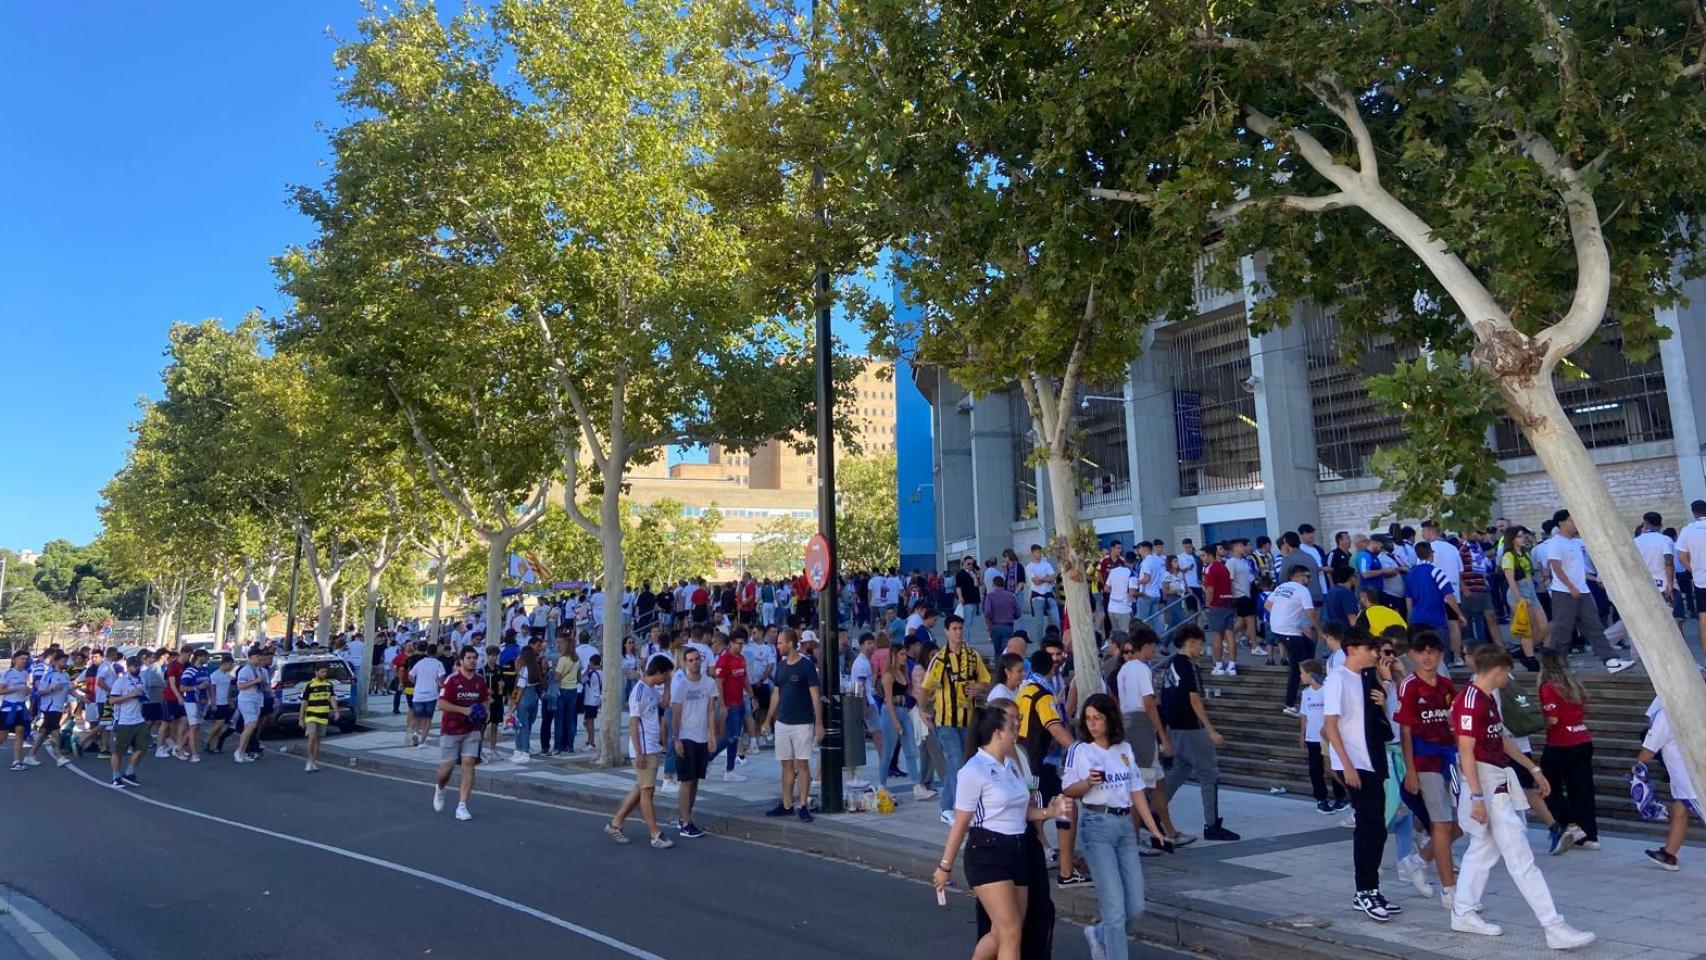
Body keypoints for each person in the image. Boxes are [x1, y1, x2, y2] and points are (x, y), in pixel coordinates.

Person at [1449, 645, 1595, 949]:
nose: (1509, 678)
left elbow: (1500, 738)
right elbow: (1466, 751)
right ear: (1498, 670)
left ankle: (1463, 910)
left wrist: (1533, 768)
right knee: (1520, 859)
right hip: (1488, 785)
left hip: (1493, 781)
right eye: (1507, 672)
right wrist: (1476, 796)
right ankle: (1553, 926)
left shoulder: (1486, 697)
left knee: (1482, 850)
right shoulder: (1472, 701)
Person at [932, 704, 1072, 960]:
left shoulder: (1011, 765)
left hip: (1017, 852)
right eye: (1011, 726)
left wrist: (1049, 812)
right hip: (987, 853)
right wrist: (945, 866)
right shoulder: (973, 770)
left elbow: (1022, 810)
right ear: (997, 733)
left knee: (1003, 932)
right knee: (1011, 933)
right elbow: (961, 822)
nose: (1017, 729)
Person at [1063, 693, 1174, 960]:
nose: (1092, 724)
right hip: (1096, 825)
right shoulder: (1081, 750)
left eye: (1097, 718)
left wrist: (1154, 829)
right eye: (1088, 718)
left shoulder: (1124, 749)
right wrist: (1087, 783)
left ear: (1110, 719)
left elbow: (1136, 791)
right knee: (1114, 908)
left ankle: (1099, 934)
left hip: (1124, 827)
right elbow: (1068, 789)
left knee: (1135, 906)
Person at [1320, 628, 1396, 921]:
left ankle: (1370, 889)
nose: (1375, 654)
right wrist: (1347, 765)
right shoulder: (1337, 678)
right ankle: (1365, 890)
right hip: (1355, 763)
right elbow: (1330, 725)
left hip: (1373, 760)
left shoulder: (1365, 678)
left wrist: (1385, 684)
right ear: (1352, 649)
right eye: (1369, 649)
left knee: (1377, 827)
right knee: (1369, 826)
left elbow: (1377, 717)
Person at [1393, 631, 1458, 909]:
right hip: (1425, 760)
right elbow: (1405, 730)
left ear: (1441, 655)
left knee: (1462, 822)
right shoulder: (1409, 686)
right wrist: (1411, 770)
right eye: (1422, 651)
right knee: (1441, 823)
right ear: (1413, 655)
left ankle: (1419, 860)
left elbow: (1455, 723)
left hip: (1449, 759)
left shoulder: (1446, 685)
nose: (1428, 656)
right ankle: (1449, 891)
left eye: (1433, 651)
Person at [1157, 626, 1239, 842]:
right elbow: (1194, 699)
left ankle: (1154, 810)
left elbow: (1165, 697)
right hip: (1191, 728)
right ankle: (1212, 824)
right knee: (1208, 773)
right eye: (1199, 644)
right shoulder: (1187, 666)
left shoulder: (1171, 664)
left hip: (1175, 727)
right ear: (1190, 643)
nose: (1201, 648)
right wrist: (1210, 730)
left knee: (1180, 770)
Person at [1015, 648, 1085, 886]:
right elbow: (1053, 726)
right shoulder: (1043, 695)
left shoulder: (1024, 691)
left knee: (1041, 809)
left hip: (1024, 761)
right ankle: (1064, 869)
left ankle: (1049, 862)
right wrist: (1077, 750)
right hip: (1036, 764)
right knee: (1061, 807)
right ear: (1051, 668)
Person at [922, 614, 992, 823]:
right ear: (946, 632)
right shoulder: (939, 660)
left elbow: (986, 682)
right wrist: (922, 710)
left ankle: (949, 808)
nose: (958, 632)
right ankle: (956, 810)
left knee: (962, 764)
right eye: (954, 629)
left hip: (968, 720)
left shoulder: (973, 656)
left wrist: (979, 688)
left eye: (960, 628)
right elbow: (926, 688)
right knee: (958, 763)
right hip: (945, 722)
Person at [1545, 510, 1633, 673]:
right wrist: (1570, 587)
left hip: (1583, 591)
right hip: (1564, 592)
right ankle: (1556, 666)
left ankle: (1610, 660)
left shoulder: (1577, 542)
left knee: (1594, 626)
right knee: (1562, 630)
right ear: (1561, 523)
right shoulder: (1555, 543)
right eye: (1571, 520)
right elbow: (1556, 567)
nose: (1575, 524)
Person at [1115, 629, 1181, 845]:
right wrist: (1162, 735)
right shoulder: (1142, 668)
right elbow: (1148, 703)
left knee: (1158, 780)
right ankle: (1135, 839)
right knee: (1140, 785)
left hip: (1129, 723)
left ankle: (1169, 830)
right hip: (1141, 725)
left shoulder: (1123, 670)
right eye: (1152, 647)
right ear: (1144, 647)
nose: (1154, 651)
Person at [606, 654, 675, 848]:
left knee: (640, 789)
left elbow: (664, 704)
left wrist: (668, 685)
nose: (666, 678)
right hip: (644, 749)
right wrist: (639, 753)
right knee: (647, 792)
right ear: (658, 672)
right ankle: (655, 834)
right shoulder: (638, 692)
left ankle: (615, 824)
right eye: (666, 675)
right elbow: (633, 724)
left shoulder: (651, 690)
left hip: (652, 746)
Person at [1536, 652, 1597, 854]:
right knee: (1582, 789)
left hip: (1560, 742)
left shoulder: (1547, 687)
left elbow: (1552, 719)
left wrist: (1537, 722)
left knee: (1548, 787)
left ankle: (1569, 825)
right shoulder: (1574, 685)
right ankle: (1589, 835)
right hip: (1582, 738)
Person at [761, 629, 823, 821]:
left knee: (802, 764)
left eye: (780, 643)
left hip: (802, 722)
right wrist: (768, 719)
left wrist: (818, 723)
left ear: (790, 643)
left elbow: (815, 695)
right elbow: (776, 693)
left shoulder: (806, 666)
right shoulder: (781, 666)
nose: (778, 646)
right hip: (782, 721)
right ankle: (786, 804)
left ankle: (803, 805)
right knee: (786, 764)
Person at [1634, 698, 1702, 871]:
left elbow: (1650, 749)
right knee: (1679, 809)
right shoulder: (1695, 704)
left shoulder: (1666, 714)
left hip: (1690, 778)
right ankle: (1669, 854)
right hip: (1689, 775)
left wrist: (1637, 766)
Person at [432, 646, 488, 822]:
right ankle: (440, 788)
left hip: (472, 730)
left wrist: (485, 712)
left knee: (469, 763)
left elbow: (484, 700)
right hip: (451, 729)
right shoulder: (452, 680)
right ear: (461, 660)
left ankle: (462, 805)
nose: (472, 661)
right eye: (469, 658)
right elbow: (441, 703)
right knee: (446, 768)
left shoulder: (480, 681)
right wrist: (463, 710)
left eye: (474, 658)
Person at [671, 645, 720, 838]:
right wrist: (676, 740)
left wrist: (712, 735)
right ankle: (685, 823)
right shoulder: (681, 685)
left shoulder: (709, 683)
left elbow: (710, 710)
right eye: (690, 660)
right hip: (686, 736)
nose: (695, 663)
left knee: (696, 780)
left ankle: (686, 816)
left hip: (702, 737)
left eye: (697, 659)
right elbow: (676, 714)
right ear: (685, 663)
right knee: (686, 781)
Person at [1268, 565, 1320, 717]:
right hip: (1289, 631)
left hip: (1280, 629)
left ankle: (1313, 685)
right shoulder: (1302, 590)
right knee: (1296, 668)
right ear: (1298, 576)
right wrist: (1321, 631)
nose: (1309, 580)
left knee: (1309, 648)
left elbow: (1268, 605)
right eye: (1307, 576)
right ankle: (1289, 704)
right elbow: (1311, 614)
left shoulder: (1281, 587)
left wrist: (1281, 615)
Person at [1296, 659, 1345, 812]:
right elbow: (1304, 715)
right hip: (1312, 737)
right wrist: (1302, 734)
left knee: (1333, 767)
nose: (1300, 676)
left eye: (1302, 673)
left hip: (1328, 737)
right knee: (1315, 770)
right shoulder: (1306, 693)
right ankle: (1321, 798)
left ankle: (1340, 797)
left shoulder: (1326, 691)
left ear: (1310, 674)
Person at [24, 650, 71, 768]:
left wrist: (82, 697)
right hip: (50, 707)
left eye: (66, 661)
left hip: (59, 707)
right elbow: (39, 692)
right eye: (63, 661)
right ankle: (59, 756)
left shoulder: (65, 675)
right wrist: (52, 689)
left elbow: (70, 689)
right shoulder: (49, 675)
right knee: (55, 731)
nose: (66, 664)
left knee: (45, 732)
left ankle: (30, 755)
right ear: (56, 662)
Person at [107, 656, 148, 788]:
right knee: (118, 751)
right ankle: (116, 777)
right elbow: (112, 700)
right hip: (123, 721)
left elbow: (144, 695)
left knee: (142, 748)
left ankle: (129, 772)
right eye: (135, 666)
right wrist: (131, 695)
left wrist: (142, 696)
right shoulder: (121, 681)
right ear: (128, 667)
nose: (137, 669)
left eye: (139, 666)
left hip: (139, 719)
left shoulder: (142, 680)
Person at [233, 647, 269, 763]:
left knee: (251, 726)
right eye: (257, 657)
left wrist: (272, 694)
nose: (260, 659)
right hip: (247, 700)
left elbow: (266, 686)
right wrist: (255, 681)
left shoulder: (262, 671)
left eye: (261, 657)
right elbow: (240, 686)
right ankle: (240, 751)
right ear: (251, 657)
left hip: (258, 700)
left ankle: (243, 751)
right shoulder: (245, 670)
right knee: (250, 725)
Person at [300, 660, 337, 773]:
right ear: (316, 672)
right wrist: (301, 718)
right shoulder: (309, 685)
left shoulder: (329, 685)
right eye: (322, 672)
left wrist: (336, 711)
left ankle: (313, 761)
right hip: (311, 715)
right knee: (311, 737)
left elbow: (332, 698)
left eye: (326, 672)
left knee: (318, 739)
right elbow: (304, 702)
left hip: (323, 714)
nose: (324, 674)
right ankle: (309, 761)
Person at [1, 650, 33, 770]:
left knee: (20, 733)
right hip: (8, 708)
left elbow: (27, 690)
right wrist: (15, 689)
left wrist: (28, 690)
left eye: (26, 659)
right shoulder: (7, 673)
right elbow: (1, 690)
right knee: (3, 736)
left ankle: (16, 762)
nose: (24, 661)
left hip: (20, 708)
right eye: (22, 658)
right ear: (14, 660)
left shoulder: (25, 673)